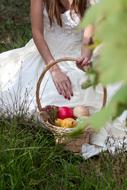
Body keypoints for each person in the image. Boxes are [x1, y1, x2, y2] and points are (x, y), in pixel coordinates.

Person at [0, 0, 103, 115]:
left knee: (86, 83)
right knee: (49, 94)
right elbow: (37, 32)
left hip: (76, 52)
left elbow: (88, 34)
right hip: (48, 54)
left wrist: (85, 57)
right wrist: (54, 69)